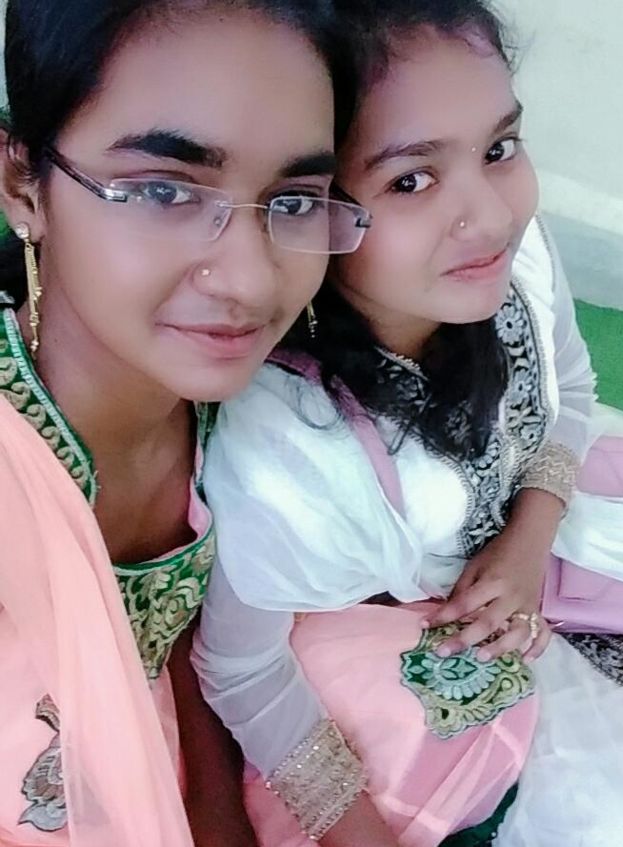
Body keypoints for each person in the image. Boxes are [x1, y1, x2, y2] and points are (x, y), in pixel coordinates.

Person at [194, 1, 623, 846]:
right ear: (308, 207)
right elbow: (240, 666)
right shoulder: (289, 450)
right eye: (410, 179)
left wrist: (528, 535)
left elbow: (573, 387)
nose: (492, 214)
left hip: (550, 539)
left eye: (499, 148)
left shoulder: (511, 259)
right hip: (406, 630)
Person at [0, 1, 368, 845]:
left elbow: (188, 644)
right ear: (23, 184)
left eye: (295, 200)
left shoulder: (242, 412)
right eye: (164, 189)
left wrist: (215, 811)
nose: (251, 280)